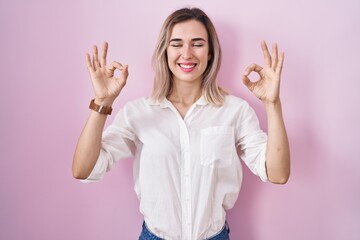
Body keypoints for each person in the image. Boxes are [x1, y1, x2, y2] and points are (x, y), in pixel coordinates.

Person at [72, 7, 290, 240]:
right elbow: (83, 169)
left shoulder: (235, 111)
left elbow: (277, 174)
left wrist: (272, 103)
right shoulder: (138, 113)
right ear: (165, 51)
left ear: (210, 53)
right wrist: (102, 103)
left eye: (197, 44)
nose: (186, 53)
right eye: (176, 44)